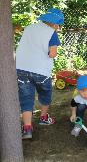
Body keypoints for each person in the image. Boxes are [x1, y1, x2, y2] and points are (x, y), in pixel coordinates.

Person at [16, 8, 64, 139]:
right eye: (59, 25)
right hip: (41, 70)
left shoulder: (29, 28)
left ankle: (27, 129)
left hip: (21, 68)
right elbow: (52, 53)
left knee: (26, 98)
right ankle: (43, 118)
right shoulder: (51, 33)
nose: (58, 27)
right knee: (45, 93)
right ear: (54, 23)